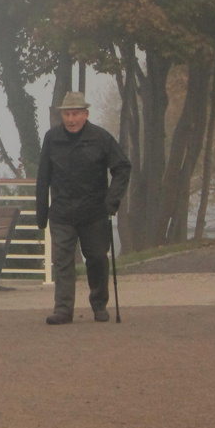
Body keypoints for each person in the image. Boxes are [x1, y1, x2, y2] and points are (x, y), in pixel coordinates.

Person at [35, 90, 131, 324]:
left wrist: (112, 200)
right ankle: (63, 310)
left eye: (75, 114)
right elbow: (43, 176)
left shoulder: (101, 138)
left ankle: (99, 305)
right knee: (63, 261)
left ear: (85, 114)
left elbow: (122, 167)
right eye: (67, 114)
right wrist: (41, 213)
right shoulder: (52, 138)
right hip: (61, 212)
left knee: (97, 258)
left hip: (94, 211)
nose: (71, 119)